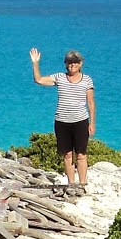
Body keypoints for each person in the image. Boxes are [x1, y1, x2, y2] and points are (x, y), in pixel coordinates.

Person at [29, 47, 96, 194]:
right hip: (62, 121)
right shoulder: (59, 77)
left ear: (81, 63)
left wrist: (92, 123)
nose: (73, 65)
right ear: (66, 64)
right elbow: (38, 80)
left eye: (75, 62)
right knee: (67, 154)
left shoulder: (87, 80)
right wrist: (35, 63)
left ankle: (83, 184)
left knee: (81, 154)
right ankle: (72, 184)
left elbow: (90, 103)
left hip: (80, 121)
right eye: (70, 62)